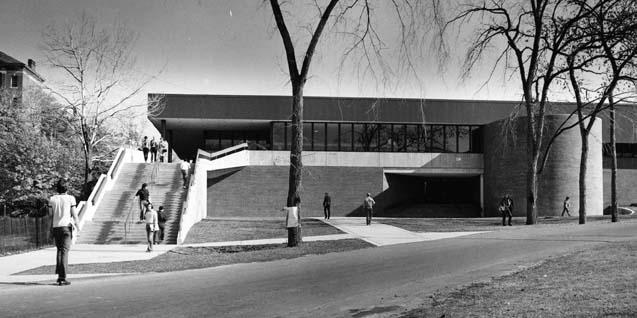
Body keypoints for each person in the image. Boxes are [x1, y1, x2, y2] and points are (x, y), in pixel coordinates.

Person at [48, 179, 79, 286]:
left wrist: (50, 229)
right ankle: (62, 277)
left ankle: (60, 276)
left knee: (59, 250)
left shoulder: (52, 199)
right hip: (66, 227)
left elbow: (51, 216)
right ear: (67, 188)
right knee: (64, 251)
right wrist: (78, 227)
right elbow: (74, 214)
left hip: (56, 227)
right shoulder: (71, 198)